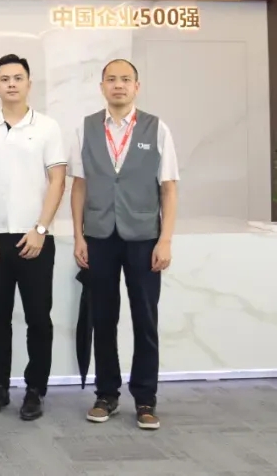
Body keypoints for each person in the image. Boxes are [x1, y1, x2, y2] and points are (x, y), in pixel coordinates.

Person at [70, 58, 178, 431]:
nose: (118, 85)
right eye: (112, 79)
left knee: (145, 319)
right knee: (103, 318)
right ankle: (106, 394)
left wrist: (165, 239)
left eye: (126, 79)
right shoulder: (85, 128)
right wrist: (79, 236)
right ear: (102, 86)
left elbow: (169, 188)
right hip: (99, 236)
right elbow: (79, 185)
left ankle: (146, 398)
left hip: (144, 237)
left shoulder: (156, 128)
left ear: (137, 86)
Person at [0, 54, 66, 421]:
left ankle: (35, 389)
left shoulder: (48, 127)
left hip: (34, 238)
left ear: (28, 83)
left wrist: (40, 228)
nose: (11, 84)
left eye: (18, 78)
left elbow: (57, 180)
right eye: (4, 78)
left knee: (38, 318)